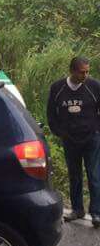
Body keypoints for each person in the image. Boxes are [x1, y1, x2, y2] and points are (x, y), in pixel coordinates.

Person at [46, 56, 100, 226]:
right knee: (74, 175)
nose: (85, 75)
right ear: (72, 71)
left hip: (91, 138)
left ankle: (96, 213)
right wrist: (60, 132)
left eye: (87, 72)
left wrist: (97, 130)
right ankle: (77, 209)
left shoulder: (94, 86)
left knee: (94, 175)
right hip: (70, 140)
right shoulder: (58, 88)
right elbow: (51, 113)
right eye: (82, 72)